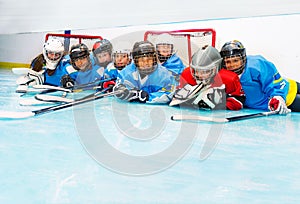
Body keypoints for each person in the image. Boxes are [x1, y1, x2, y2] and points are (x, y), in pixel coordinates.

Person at [220, 40, 300, 114]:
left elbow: (274, 81)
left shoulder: (256, 64)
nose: (232, 65)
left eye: (236, 60)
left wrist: (278, 96)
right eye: (228, 62)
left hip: (286, 92)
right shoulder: (224, 76)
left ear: (243, 58)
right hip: (272, 105)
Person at [170, 46, 245, 110]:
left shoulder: (229, 79)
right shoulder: (186, 74)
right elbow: (176, 96)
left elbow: (239, 101)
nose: (200, 75)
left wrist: (220, 104)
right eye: (196, 70)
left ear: (217, 68)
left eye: (205, 71)